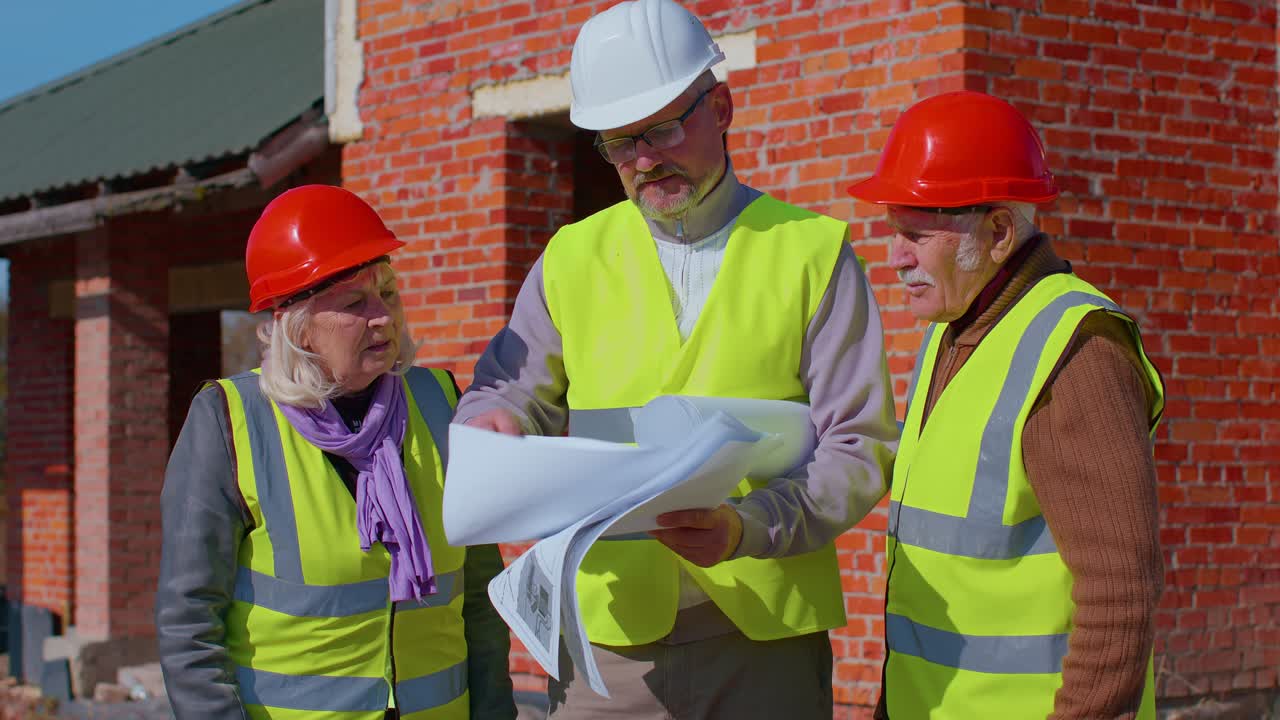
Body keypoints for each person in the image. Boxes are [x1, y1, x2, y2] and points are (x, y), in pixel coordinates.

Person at [454, 0, 897, 717]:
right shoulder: (571, 258)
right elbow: (511, 392)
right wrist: (494, 420)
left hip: (763, 645)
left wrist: (749, 527)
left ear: (721, 106)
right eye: (618, 144)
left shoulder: (811, 252)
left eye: (660, 130)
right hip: (608, 649)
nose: (643, 160)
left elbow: (860, 446)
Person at [847, 91, 1165, 719]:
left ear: (997, 232)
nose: (897, 258)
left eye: (917, 235)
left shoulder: (1076, 352)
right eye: (895, 233)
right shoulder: (951, 331)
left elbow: (1121, 596)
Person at [156, 185, 516, 720]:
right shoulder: (230, 422)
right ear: (297, 324)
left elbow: (481, 600)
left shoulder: (441, 404)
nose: (384, 318)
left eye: (389, 294)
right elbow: (188, 626)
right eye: (354, 303)